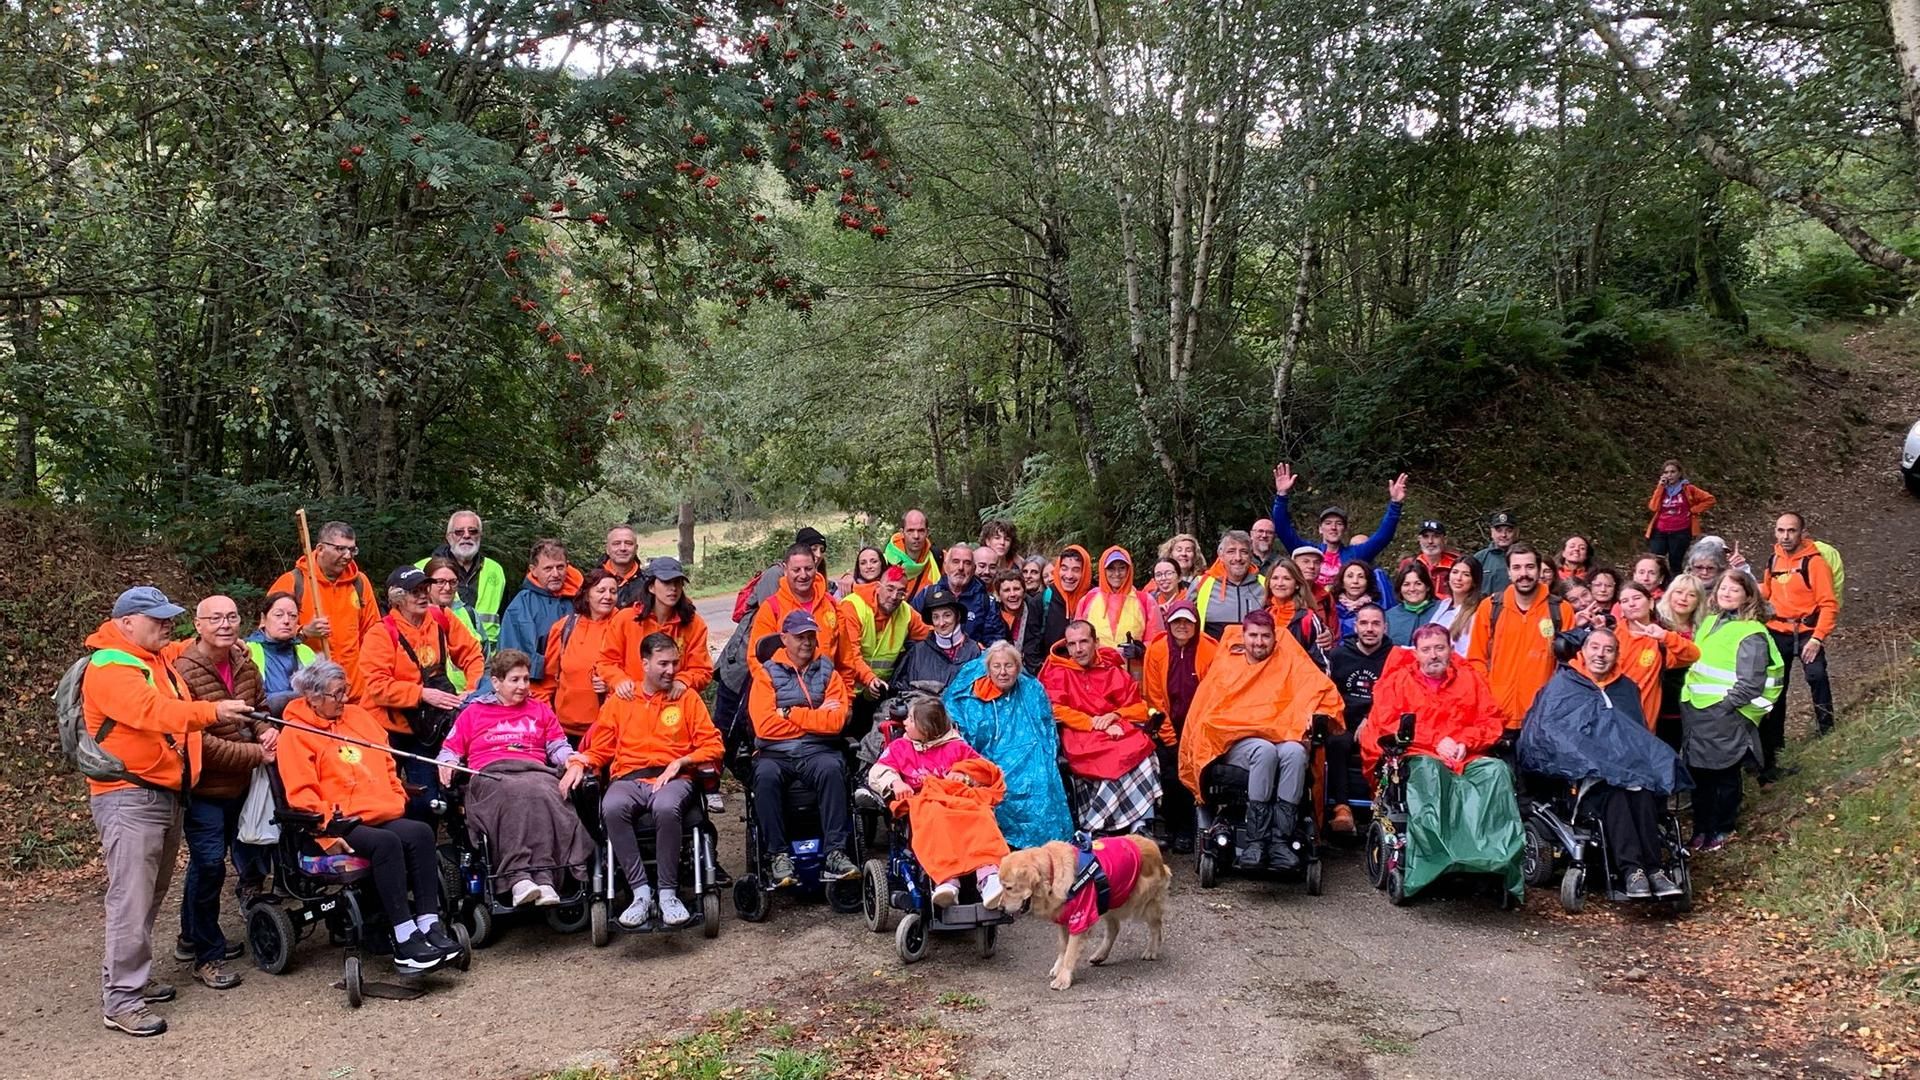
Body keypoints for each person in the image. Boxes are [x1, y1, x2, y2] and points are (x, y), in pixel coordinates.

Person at [83, 587, 249, 1036]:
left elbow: (195, 645)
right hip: (128, 797)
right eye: (156, 619)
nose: (166, 625)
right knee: (131, 899)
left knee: (148, 895)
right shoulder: (111, 666)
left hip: (161, 794)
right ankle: (122, 1000)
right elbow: (153, 711)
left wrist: (224, 636)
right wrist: (214, 710)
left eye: (168, 618)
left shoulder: (154, 657)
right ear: (126, 622)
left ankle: (130, 980)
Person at [279, 660, 456, 973]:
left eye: (345, 690)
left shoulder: (359, 717)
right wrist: (327, 832)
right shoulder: (296, 734)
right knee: (385, 843)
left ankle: (429, 923)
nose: (345, 699)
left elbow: (387, 763)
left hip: (379, 810)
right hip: (335, 824)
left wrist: (397, 795)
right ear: (313, 698)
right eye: (336, 694)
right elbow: (301, 796)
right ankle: (404, 937)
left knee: (420, 833)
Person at [563, 633, 723, 927]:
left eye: (674, 663)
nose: (671, 670)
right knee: (612, 807)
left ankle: (668, 893)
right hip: (629, 778)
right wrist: (578, 762)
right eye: (663, 664)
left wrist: (682, 761)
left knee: (665, 807)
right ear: (645, 664)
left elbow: (713, 745)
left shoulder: (686, 698)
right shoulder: (621, 701)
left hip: (673, 778)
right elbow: (600, 748)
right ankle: (640, 893)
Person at [1518, 631, 1690, 899]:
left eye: (1608, 649)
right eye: (1595, 647)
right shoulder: (1563, 686)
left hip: (1628, 770)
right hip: (1583, 777)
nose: (1600, 654)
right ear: (1583, 651)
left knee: (1644, 789)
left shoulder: (1626, 689)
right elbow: (1550, 734)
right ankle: (1633, 871)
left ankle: (1655, 870)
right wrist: (1593, 761)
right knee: (1615, 792)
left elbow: (1635, 734)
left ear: (1617, 655)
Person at [1358, 624, 1523, 902]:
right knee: (1430, 773)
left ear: (1451, 649)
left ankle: (1495, 860)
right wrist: (1436, 742)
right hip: (1419, 753)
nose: (1433, 655)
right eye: (1426, 650)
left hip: (1466, 755)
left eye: (1439, 648)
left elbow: (1491, 720)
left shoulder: (1470, 679)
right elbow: (1387, 724)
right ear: (1416, 654)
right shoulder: (1398, 682)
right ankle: (1434, 863)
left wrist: (1465, 741)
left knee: (1496, 772)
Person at [1179, 611, 1345, 871]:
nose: (1259, 642)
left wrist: (1315, 717)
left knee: (1295, 753)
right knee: (1264, 750)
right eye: (1253, 635)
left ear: (1274, 638)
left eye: (1265, 636)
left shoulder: (1289, 660)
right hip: (1237, 740)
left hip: (1281, 736)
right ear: (1243, 636)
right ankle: (1256, 842)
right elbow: (1207, 710)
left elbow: (1320, 690)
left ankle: (1280, 840)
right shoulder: (1227, 666)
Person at [169, 595, 271, 989]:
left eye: (231, 617)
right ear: (198, 625)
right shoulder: (183, 671)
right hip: (205, 789)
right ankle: (206, 955)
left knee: (214, 864)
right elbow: (196, 739)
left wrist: (267, 732)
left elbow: (259, 707)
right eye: (215, 618)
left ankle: (191, 936)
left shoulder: (245, 662)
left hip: (242, 787)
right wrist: (255, 754)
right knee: (210, 864)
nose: (225, 624)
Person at [439, 650, 592, 907]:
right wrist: (448, 764)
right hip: (491, 774)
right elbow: (449, 750)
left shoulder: (540, 710)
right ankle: (518, 877)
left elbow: (557, 746)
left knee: (549, 792)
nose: (523, 686)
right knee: (514, 792)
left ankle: (545, 878)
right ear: (496, 682)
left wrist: (571, 759)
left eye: (526, 679)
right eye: (515, 680)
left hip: (534, 772)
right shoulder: (474, 713)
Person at [359, 565, 485, 817]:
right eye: (414, 592)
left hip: (428, 726)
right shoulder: (381, 633)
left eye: (425, 589)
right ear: (397, 598)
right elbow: (377, 686)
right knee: (382, 794)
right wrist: (421, 694)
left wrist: (471, 690)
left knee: (428, 799)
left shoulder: (441, 618)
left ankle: (426, 836)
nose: (422, 596)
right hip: (385, 728)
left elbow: (472, 654)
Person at [747, 611, 860, 886]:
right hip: (775, 752)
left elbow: (835, 723)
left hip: (818, 750)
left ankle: (835, 853)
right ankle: (778, 855)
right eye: (800, 637)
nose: (807, 642)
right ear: (784, 638)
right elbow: (764, 726)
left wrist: (789, 713)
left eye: (811, 636)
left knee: (832, 769)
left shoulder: (828, 672)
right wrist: (815, 718)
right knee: (765, 777)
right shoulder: (766, 674)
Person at [867, 698, 1008, 909]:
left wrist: (965, 775)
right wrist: (895, 782)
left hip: (959, 803)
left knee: (982, 814)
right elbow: (878, 771)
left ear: (926, 729)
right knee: (934, 817)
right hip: (926, 802)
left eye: (911, 720)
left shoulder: (957, 747)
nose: (904, 723)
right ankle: (947, 880)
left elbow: (985, 770)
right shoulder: (900, 747)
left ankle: (988, 877)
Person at [1681, 572, 1783, 851]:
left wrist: (1724, 707)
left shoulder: (1751, 633)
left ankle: (1722, 827)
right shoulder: (1710, 621)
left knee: (1723, 774)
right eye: (1723, 588)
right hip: (1697, 711)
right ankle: (1701, 828)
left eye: (1734, 590)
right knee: (1699, 774)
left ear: (1748, 596)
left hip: (1725, 713)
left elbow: (1751, 683)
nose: (1726, 593)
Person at [1732, 512, 1837, 777]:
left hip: (1807, 631)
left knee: (1817, 677)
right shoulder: (1774, 559)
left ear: (1802, 532)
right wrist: (1742, 574)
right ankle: (1775, 743)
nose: (1786, 536)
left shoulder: (1815, 563)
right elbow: (1766, 593)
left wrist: (1817, 638)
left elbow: (1828, 604)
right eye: (1781, 530)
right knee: (1776, 687)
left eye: (1791, 530)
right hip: (1777, 631)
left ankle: (1828, 729)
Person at [942, 643, 1074, 849]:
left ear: (1018, 667)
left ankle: (1043, 845)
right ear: (988, 668)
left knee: (1041, 779)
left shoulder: (1031, 689)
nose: (1002, 672)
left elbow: (1045, 726)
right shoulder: (971, 697)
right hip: (987, 756)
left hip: (1030, 752)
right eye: (996, 666)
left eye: (1009, 666)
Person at [1041, 621, 1162, 836]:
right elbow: (1054, 708)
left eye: (1084, 642)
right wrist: (1091, 723)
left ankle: (1141, 824)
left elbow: (1139, 707)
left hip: (1115, 726)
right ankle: (1095, 825)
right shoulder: (1058, 672)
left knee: (1145, 749)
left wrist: (1115, 715)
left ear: (1095, 642)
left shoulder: (1112, 670)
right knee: (1114, 759)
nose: (1078, 649)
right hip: (1079, 733)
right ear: (1067, 647)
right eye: (1072, 644)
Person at [1466, 543, 1575, 726]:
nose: (1524, 573)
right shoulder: (1490, 607)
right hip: (1497, 715)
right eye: (1517, 567)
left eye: (1530, 567)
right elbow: (1476, 659)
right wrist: (1489, 695)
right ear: (1509, 572)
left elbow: (1569, 665)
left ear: (1539, 570)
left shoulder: (1561, 610)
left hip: (1541, 716)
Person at [268, 520, 380, 697]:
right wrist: (304, 632)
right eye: (340, 549)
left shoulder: (360, 583)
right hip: (312, 691)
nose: (348, 556)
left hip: (356, 689)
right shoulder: (293, 582)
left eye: (352, 550)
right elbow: (266, 634)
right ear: (320, 549)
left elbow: (373, 633)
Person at [1141, 601, 1214, 854]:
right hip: (1167, 726)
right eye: (1176, 621)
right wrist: (1171, 739)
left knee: (1195, 774)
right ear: (1169, 624)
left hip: (1199, 728)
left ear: (1196, 623)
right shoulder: (1157, 650)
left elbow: (1213, 695)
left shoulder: (1210, 650)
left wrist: (1194, 736)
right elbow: (1153, 696)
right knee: (1169, 772)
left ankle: (1189, 830)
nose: (1182, 626)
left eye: (1187, 621)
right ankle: (1172, 828)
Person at [599, 557, 716, 710]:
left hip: (671, 706)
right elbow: (606, 661)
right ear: (651, 587)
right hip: (630, 702)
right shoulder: (625, 619)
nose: (673, 588)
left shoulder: (693, 624)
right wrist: (618, 680)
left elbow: (702, 670)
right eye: (666, 582)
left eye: (678, 583)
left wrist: (684, 680)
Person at [1269, 462, 1409, 589]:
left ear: (1344, 529)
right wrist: (1281, 495)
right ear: (1320, 529)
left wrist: (1395, 504)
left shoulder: (1355, 554)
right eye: (1328, 523)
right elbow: (1282, 529)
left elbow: (1382, 538)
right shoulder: (1308, 551)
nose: (1333, 527)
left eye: (1339, 523)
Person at [1326, 604, 1393, 835]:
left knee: (1387, 746)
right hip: (1343, 721)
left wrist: (1371, 718)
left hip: (1380, 722)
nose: (1369, 629)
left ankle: (1383, 807)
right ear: (1355, 627)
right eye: (1364, 623)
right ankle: (1342, 808)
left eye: (1375, 623)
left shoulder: (1394, 657)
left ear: (1385, 627)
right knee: (1336, 742)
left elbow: (1398, 695)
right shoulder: (1338, 655)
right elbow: (1328, 692)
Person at [499, 539, 584, 702]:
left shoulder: (580, 599)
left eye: (560, 567)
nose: (555, 574)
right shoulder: (523, 603)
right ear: (534, 570)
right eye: (548, 568)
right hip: (537, 686)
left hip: (575, 684)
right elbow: (512, 653)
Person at [1609, 582, 1701, 730]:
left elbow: (1693, 655)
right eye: (1625, 601)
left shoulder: (1661, 640)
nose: (1631, 604)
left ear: (1651, 603)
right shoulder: (1610, 637)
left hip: (1643, 724)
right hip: (1610, 720)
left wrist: (1665, 636)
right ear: (1621, 608)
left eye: (1637, 598)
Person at [414, 511, 508, 653]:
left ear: (480, 536)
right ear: (448, 537)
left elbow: (505, 617)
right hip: (438, 654)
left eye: (473, 531)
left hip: (486, 657)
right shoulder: (421, 568)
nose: (466, 536)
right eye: (459, 532)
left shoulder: (495, 570)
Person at [543, 568, 620, 740]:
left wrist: (612, 685)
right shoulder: (565, 627)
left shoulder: (624, 626)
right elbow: (547, 679)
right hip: (563, 730)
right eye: (601, 590)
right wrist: (547, 717)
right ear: (587, 594)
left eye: (613, 591)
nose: (608, 596)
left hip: (606, 730)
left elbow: (636, 676)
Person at [838, 566, 931, 694]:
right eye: (890, 589)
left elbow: (929, 634)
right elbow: (850, 654)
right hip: (847, 689)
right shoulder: (852, 606)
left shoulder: (906, 612)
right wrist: (870, 678)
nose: (894, 596)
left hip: (880, 689)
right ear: (878, 586)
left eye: (901, 592)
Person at [1076, 546, 1164, 656]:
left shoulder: (1145, 601)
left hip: (1132, 666)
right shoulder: (1088, 600)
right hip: (1096, 666)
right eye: (1111, 569)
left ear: (1129, 570)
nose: (1117, 574)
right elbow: (1076, 639)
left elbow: (1157, 642)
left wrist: (1140, 650)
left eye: (1122, 568)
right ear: (1103, 570)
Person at [892, 586, 983, 692]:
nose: (941, 623)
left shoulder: (973, 650)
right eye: (936, 617)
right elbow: (900, 688)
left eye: (947, 615)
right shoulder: (918, 651)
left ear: (957, 616)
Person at [1653, 573, 1707, 748]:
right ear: (1669, 594)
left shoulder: (1704, 628)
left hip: (1693, 698)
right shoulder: (1656, 624)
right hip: (1659, 697)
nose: (1683, 599)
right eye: (1679, 592)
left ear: (1698, 601)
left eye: (1691, 595)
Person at [246, 590, 314, 717]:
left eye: (293, 616)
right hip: (264, 721)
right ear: (263, 619)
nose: (287, 621)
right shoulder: (247, 651)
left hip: (304, 721)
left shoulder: (306, 651)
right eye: (279, 615)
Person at [1646, 460, 1716, 579]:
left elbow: (1710, 499)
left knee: (1675, 563)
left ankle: (1675, 586)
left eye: (1673, 472)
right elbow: (1653, 507)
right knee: (1656, 562)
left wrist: (1693, 510)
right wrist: (1660, 487)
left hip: (1680, 531)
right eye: (1666, 472)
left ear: (1679, 473)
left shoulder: (1688, 489)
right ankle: (1657, 585)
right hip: (1660, 530)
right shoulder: (1662, 489)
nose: (1669, 475)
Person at [1191, 531, 1266, 640]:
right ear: (1221, 555)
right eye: (1231, 551)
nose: (1238, 558)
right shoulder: (1201, 583)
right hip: (1212, 650)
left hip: (1256, 649)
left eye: (1244, 552)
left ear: (1251, 555)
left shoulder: (1265, 584)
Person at [1265, 560, 1331, 663]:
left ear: (1297, 584)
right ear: (1269, 583)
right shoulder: (1265, 615)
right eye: (1275, 578)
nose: (1280, 583)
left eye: (1286, 578)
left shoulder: (1308, 618)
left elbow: (1322, 662)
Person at [921, 541, 991, 632]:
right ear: (945, 566)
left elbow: (994, 636)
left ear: (973, 569)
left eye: (967, 563)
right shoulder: (928, 594)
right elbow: (913, 630)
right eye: (955, 562)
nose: (961, 567)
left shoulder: (985, 600)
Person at [424, 556, 483, 662]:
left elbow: (485, 659)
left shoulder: (469, 614)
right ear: (426, 584)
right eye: (440, 582)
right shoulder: (416, 616)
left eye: (453, 582)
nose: (447, 588)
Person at [1428, 558, 1485, 658]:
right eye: (1455, 572)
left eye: (1466, 574)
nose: (1458, 578)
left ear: (1474, 581)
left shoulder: (1477, 612)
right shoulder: (1443, 605)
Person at [1042, 544, 1093, 647]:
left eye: (1076, 570)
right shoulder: (1044, 598)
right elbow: (1032, 643)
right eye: (1064, 568)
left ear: (1085, 572)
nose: (1069, 576)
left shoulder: (1095, 599)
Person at [884, 508, 942, 598]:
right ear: (902, 533)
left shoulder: (939, 558)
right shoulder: (885, 561)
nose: (916, 536)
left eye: (921, 531)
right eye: (910, 531)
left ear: (927, 532)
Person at [1385, 563, 1439, 646]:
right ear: (1400, 588)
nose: (1412, 589)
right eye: (1406, 584)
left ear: (1427, 587)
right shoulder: (1389, 617)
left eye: (1418, 584)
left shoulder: (1441, 610)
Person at [1331, 560, 1385, 639]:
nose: (1355, 581)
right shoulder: (1330, 607)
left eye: (1361, 577)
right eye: (1350, 576)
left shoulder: (1377, 608)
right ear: (1342, 582)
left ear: (1368, 582)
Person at [1471, 511, 1520, 596]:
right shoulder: (1479, 558)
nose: (1504, 535)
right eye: (1499, 531)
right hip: (1486, 603)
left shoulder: (1524, 558)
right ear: (1492, 532)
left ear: (1516, 532)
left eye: (1509, 531)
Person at [1398, 519, 1461, 584]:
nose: (1430, 541)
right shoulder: (1408, 563)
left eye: (1436, 536)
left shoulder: (1456, 565)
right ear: (1419, 539)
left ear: (1444, 540)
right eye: (1425, 536)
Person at [600, 524, 648, 609]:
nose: (623, 548)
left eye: (628, 543)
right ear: (607, 549)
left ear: (636, 548)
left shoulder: (649, 583)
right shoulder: (591, 583)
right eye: (616, 543)